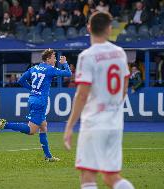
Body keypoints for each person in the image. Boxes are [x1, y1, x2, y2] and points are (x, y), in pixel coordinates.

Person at [63, 12, 135, 189]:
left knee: (88, 175)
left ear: (89, 28)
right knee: (112, 177)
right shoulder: (120, 53)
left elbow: (81, 95)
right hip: (115, 124)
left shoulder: (87, 56)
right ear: (109, 29)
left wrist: (70, 126)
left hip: (94, 123)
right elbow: (124, 89)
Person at [0, 49, 72, 162]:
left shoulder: (34, 68)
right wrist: (64, 63)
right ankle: (6, 125)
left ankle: (48, 156)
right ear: (48, 58)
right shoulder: (50, 69)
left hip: (33, 99)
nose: (55, 60)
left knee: (43, 126)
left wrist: (33, 89)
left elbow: (21, 80)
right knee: (31, 131)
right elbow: (68, 74)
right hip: (40, 102)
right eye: (54, 57)